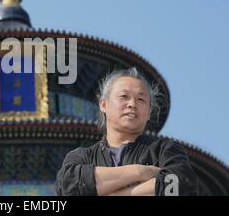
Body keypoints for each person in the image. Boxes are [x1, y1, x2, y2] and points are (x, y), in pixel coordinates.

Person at [56, 67, 198, 196]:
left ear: (148, 112)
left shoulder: (164, 150)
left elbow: (182, 185)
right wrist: (142, 171)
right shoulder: (83, 157)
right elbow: (69, 185)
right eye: (124, 96)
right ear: (103, 104)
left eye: (141, 99)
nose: (132, 104)